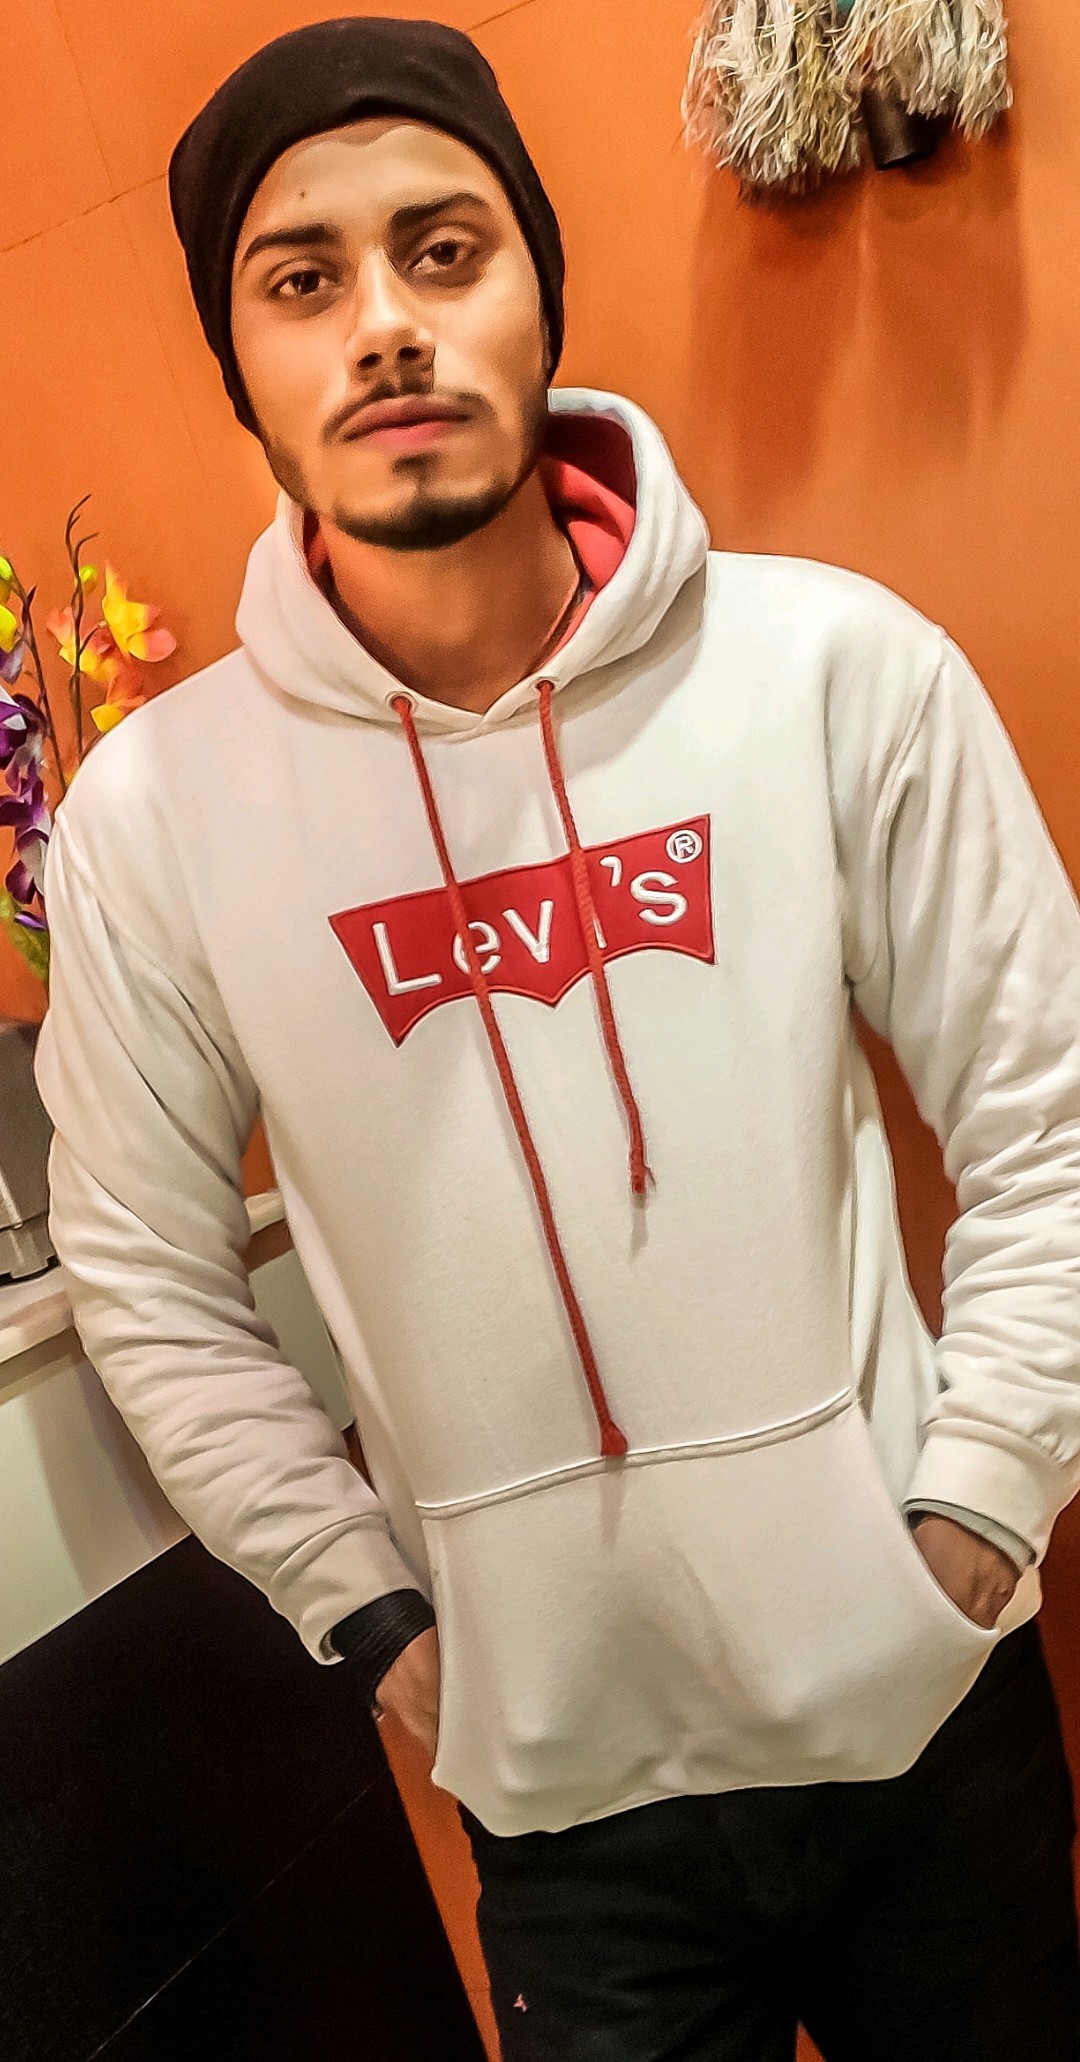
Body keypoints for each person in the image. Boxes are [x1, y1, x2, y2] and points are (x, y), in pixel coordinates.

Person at [34, 17, 1080, 2058]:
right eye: (303, 278)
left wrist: (979, 1496)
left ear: (540, 288)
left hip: (924, 1721)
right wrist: (367, 1607)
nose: (385, 326)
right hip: (569, 1809)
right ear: (240, 360)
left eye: (445, 248)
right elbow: (145, 1275)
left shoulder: (834, 669)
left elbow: (1051, 1110)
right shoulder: (158, 825)